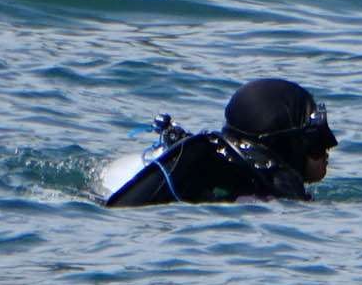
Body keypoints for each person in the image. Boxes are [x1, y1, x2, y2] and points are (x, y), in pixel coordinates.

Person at [100, 77, 338, 207]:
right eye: (314, 142)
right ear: (287, 146)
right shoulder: (262, 197)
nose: (328, 147)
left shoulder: (210, 162)